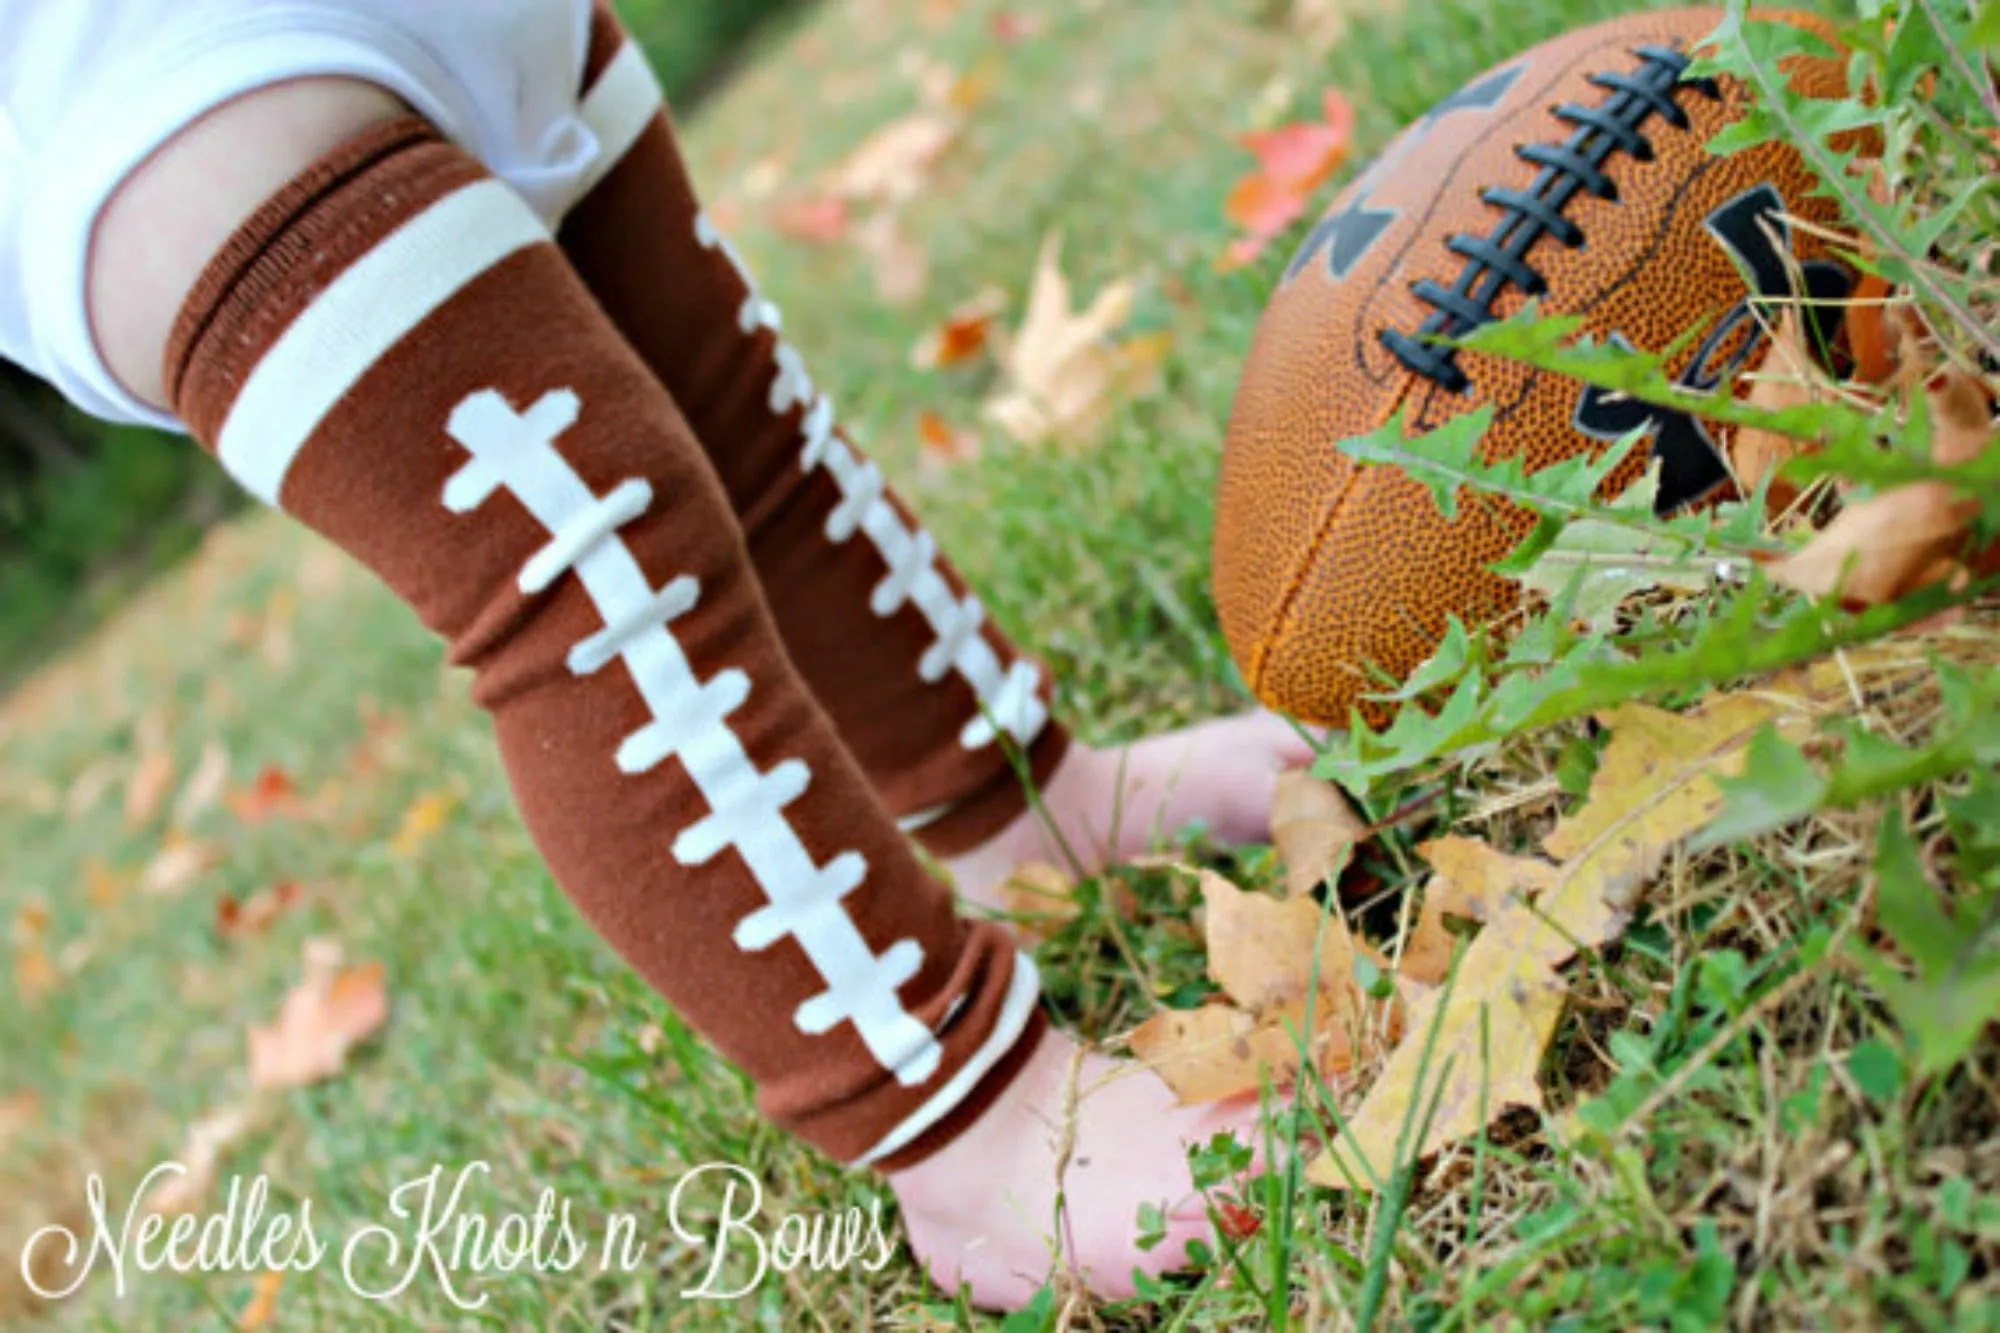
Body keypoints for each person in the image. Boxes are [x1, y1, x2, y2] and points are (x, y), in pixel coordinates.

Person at [0, 0, 1307, 1307]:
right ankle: (973, 1126)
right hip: (144, 74)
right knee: (586, 576)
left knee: (745, 420)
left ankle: (1027, 807)